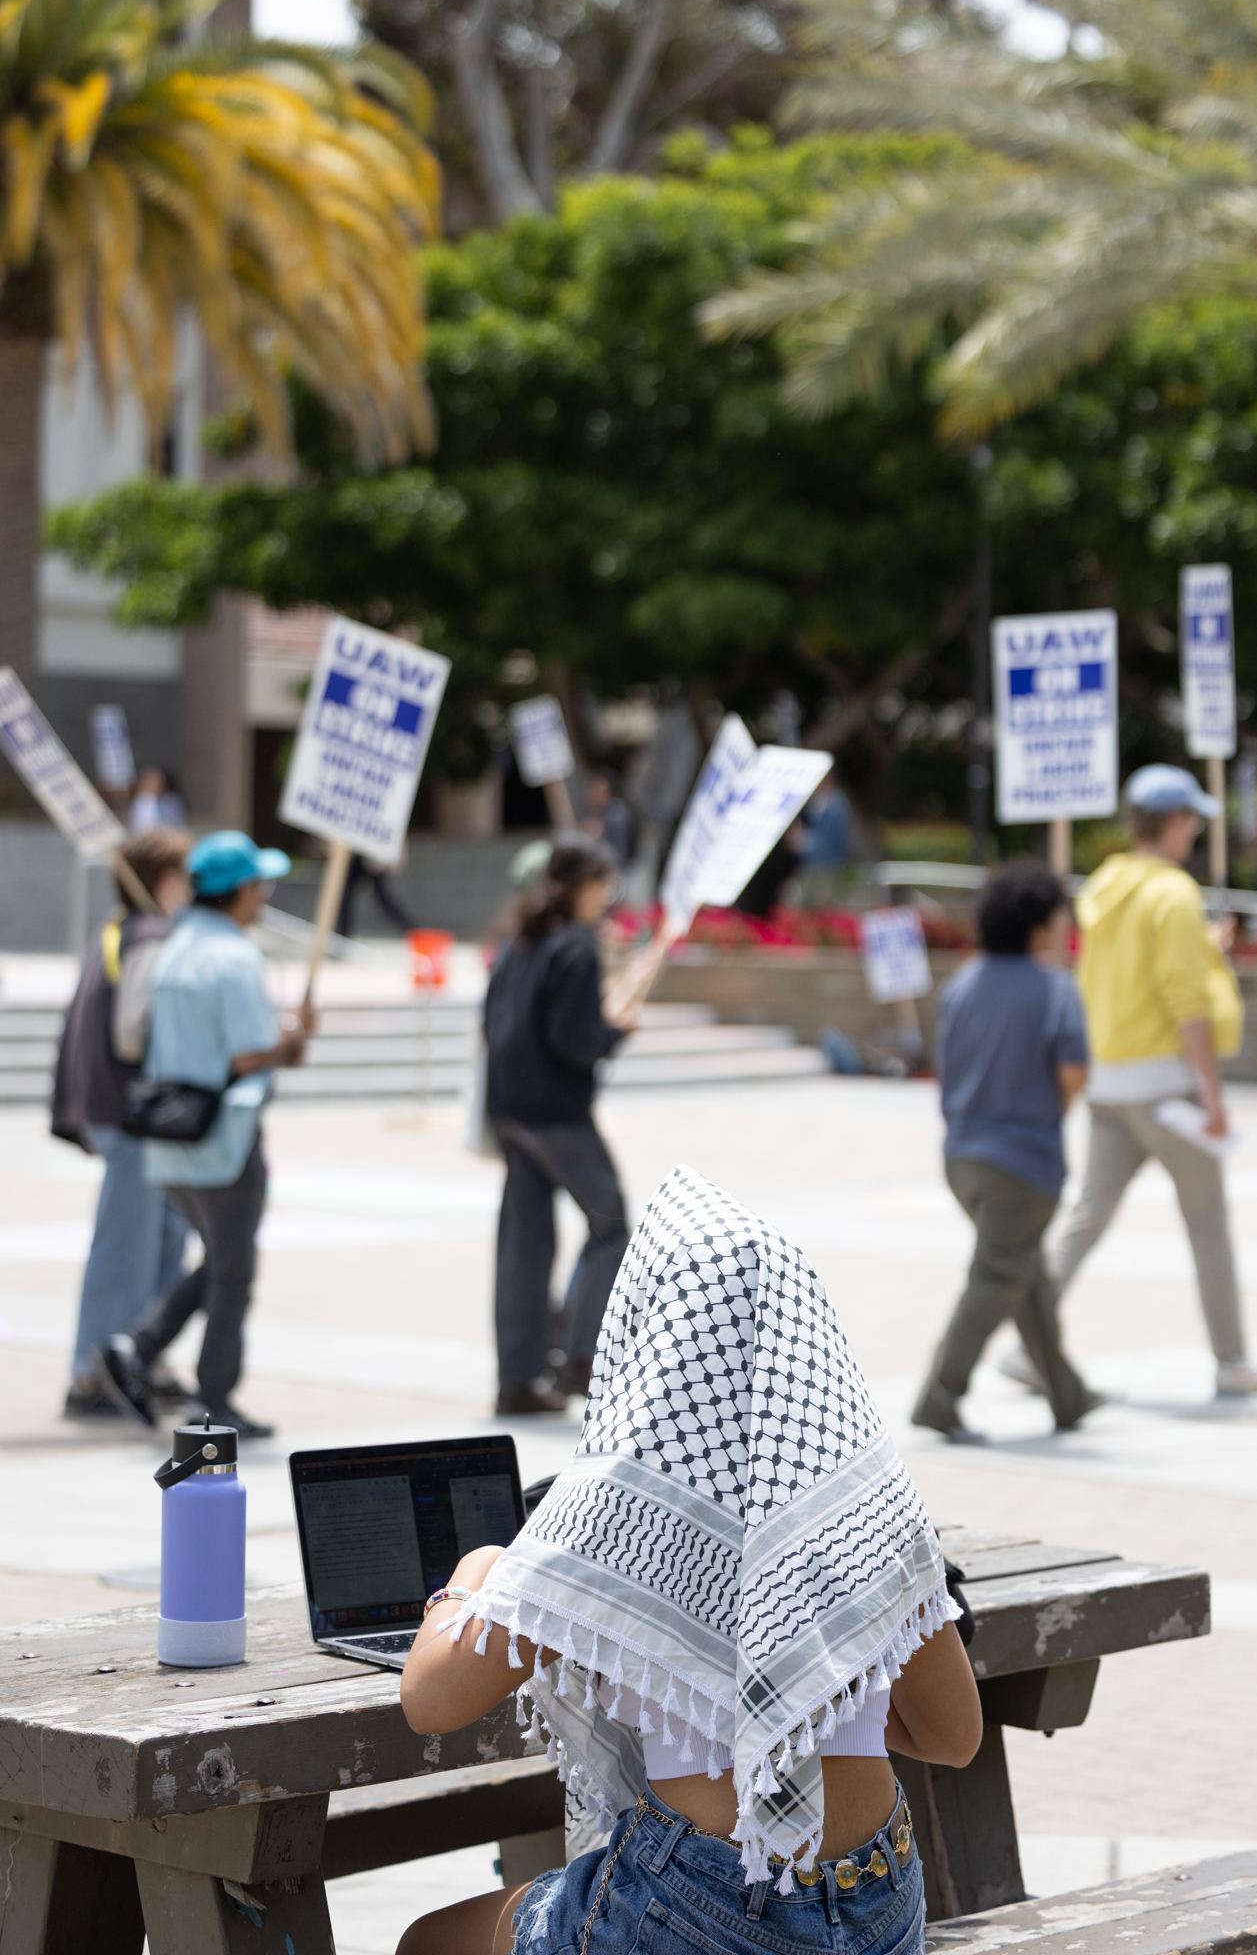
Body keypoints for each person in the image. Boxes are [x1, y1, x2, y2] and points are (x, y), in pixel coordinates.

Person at [397, 1165, 981, 1955]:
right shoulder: (859, 1509)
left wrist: (474, 1572)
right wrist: (803, 1687)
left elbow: (432, 1701)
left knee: (431, 1941)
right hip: (878, 1901)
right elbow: (952, 1738)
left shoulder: (623, 1513)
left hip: (706, 1907)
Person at [1006, 765, 1257, 1399]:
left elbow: (1126, 969)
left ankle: (1026, 1347)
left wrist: (1201, 945)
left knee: (1085, 1220)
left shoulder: (1104, 885)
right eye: (1193, 820)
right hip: (1165, 1087)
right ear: (1178, 821)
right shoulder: (1174, 894)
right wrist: (1213, 1097)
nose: (1195, 831)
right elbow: (1184, 1001)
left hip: (1110, 1082)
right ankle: (1233, 1361)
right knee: (1208, 1225)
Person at [98, 831, 314, 1438]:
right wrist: (292, 1041)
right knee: (234, 1272)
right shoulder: (234, 956)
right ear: (242, 890)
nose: (264, 894)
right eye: (258, 883)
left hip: (171, 1136)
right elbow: (249, 1054)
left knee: (221, 1260)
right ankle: (211, 1398)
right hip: (223, 1137)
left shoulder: (175, 948)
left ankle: (135, 1347)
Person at [912, 863, 1101, 1445]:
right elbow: (1074, 1074)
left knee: (1026, 1275)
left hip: (962, 1156)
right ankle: (939, 1397)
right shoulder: (1053, 987)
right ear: (1040, 923)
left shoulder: (962, 983)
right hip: (1024, 1160)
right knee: (998, 1276)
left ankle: (1067, 1394)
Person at [483, 837, 634, 1415]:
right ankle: (581, 1358)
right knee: (611, 1226)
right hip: (556, 1113)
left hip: (511, 1110)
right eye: (604, 885)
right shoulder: (576, 946)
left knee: (524, 1246)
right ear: (582, 886)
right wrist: (614, 1032)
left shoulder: (520, 941)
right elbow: (575, 1040)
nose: (608, 897)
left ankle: (517, 1379)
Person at [51, 826, 194, 1418]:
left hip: (114, 1110)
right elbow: (133, 1032)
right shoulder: (149, 938)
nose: (190, 887)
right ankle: (92, 1373)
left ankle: (142, 1355)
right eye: (183, 875)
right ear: (163, 880)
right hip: (136, 1115)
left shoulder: (117, 931)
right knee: (125, 1245)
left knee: (165, 1234)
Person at [336, 851, 417, 938]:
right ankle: (342, 934)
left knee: (383, 900)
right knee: (345, 898)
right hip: (361, 856)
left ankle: (414, 931)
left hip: (371, 857)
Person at [583, 768, 635, 870]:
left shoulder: (616, 815)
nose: (591, 793)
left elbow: (618, 857)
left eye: (596, 789)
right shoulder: (598, 812)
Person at [128, 765, 186, 833]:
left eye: (158, 782)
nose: (155, 784)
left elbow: (178, 823)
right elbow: (138, 827)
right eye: (150, 782)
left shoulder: (170, 800)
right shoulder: (141, 802)